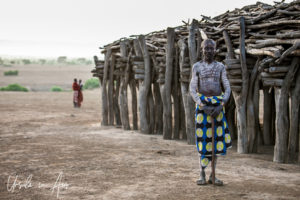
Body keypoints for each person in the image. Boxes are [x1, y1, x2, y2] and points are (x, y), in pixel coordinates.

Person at [189, 39, 232, 186]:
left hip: (218, 106)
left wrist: (221, 104)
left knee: (216, 140)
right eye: (205, 48)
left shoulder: (220, 67)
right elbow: (192, 88)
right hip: (202, 107)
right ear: (201, 50)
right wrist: (202, 106)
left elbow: (227, 87)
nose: (208, 51)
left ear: (215, 50)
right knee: (203, 140)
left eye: (211, 48)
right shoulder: (197, 67)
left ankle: (213, 174)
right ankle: (201, 174)